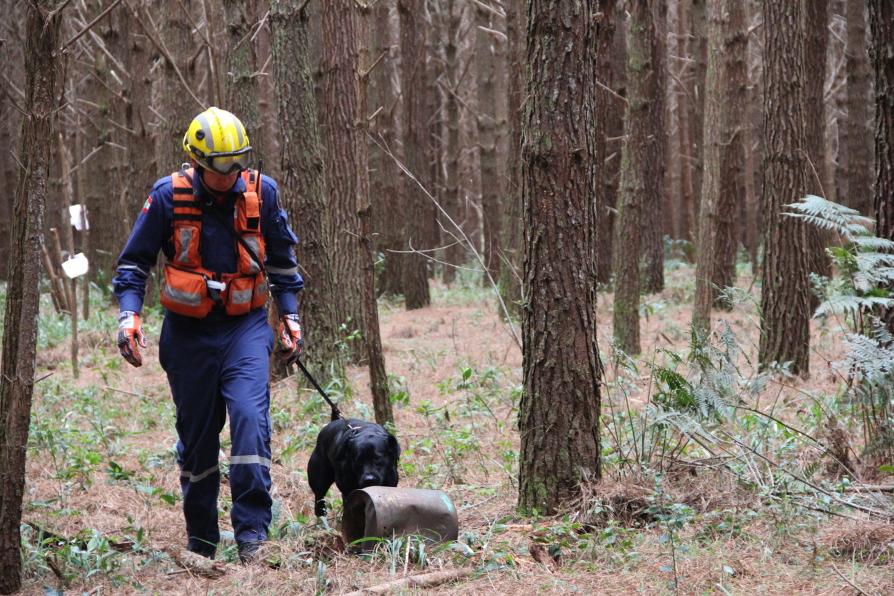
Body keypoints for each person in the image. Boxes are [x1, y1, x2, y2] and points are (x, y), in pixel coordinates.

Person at [113, 107, 304, 562]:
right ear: (197, 162)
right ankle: (201, 540)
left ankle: (253, 536)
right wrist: (129, 317)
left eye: (238, 163)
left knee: (249, 421)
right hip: (188, 334)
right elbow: (133, 265)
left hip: (246, 328)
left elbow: (282, 264)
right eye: (222, 167)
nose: (232, 175)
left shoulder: (263, 194)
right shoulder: (166, 197)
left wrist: (291, 317)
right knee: (197, 439)